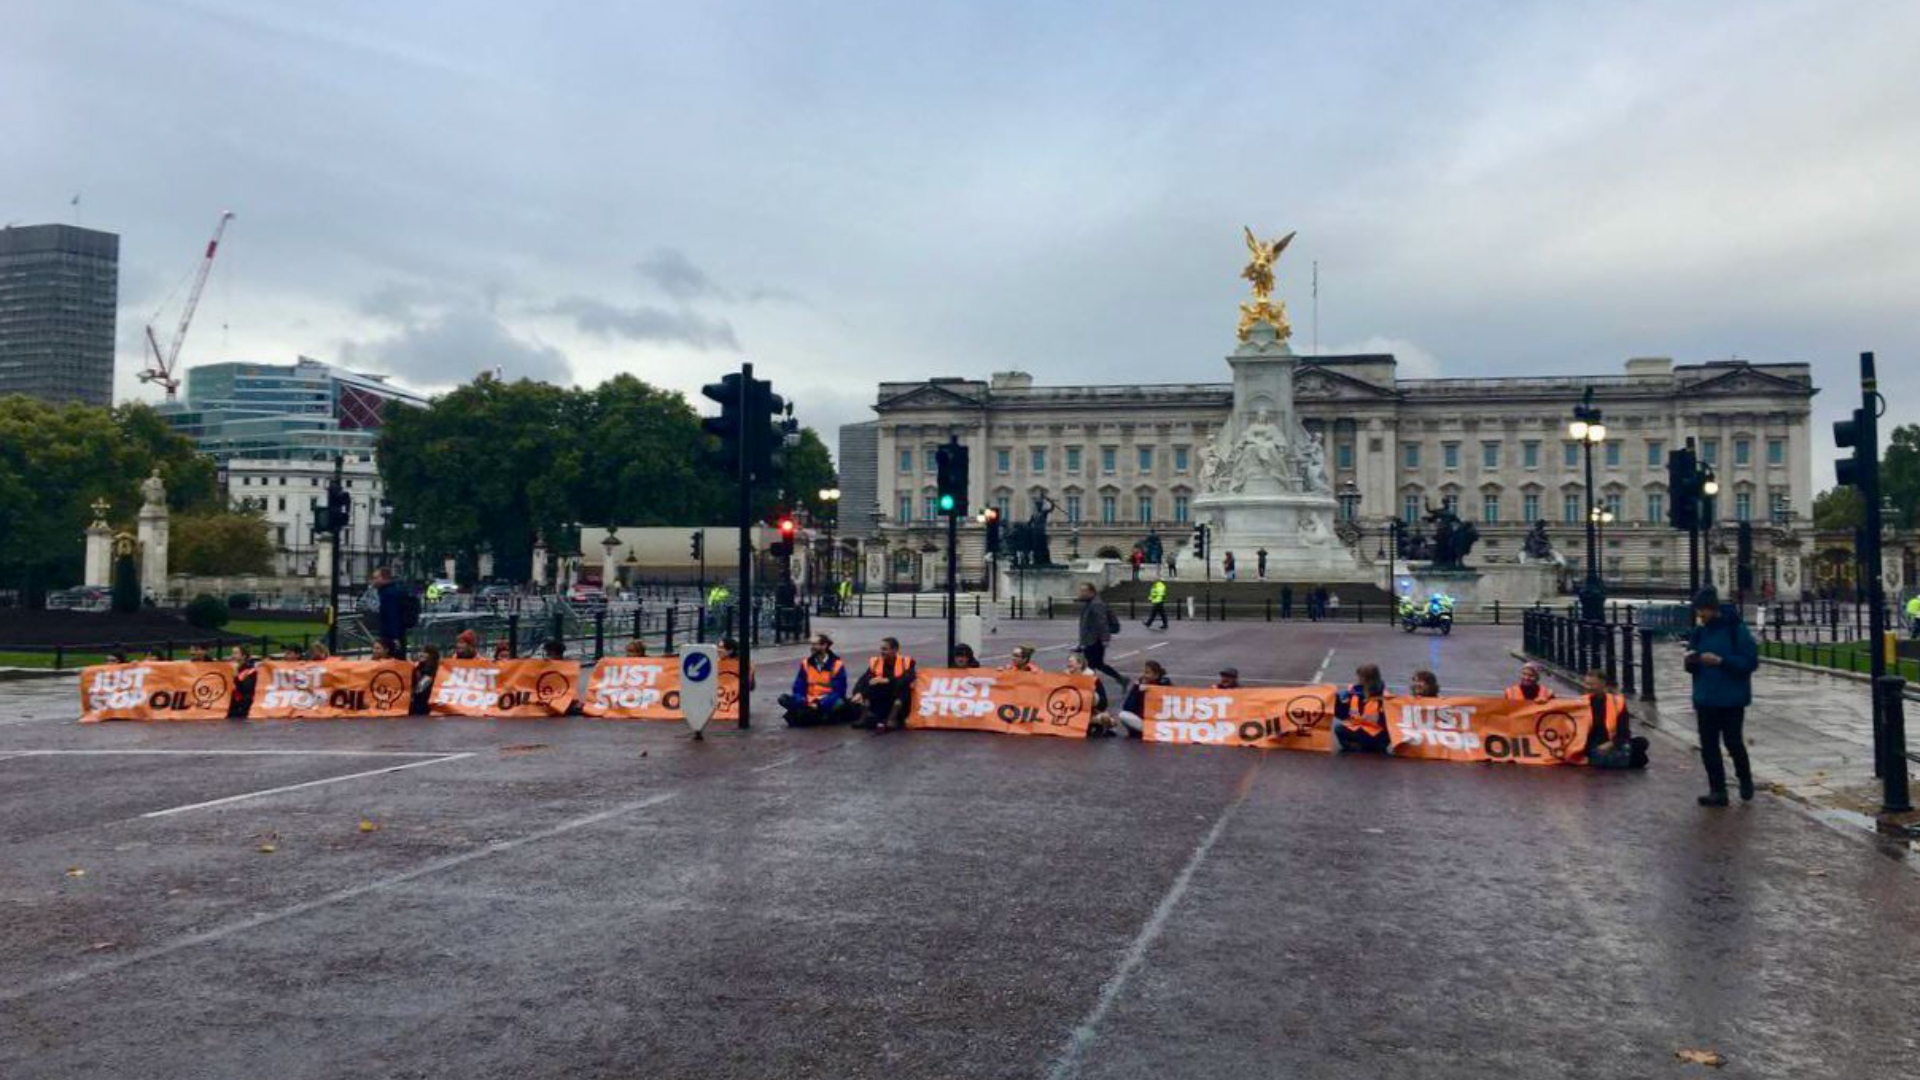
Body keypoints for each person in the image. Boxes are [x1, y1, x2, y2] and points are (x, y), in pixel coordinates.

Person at [1686, 587, 1758, 806]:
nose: (1700, 616)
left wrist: (1721, 661)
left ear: (1713, 608)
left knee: (1733, 742)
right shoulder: (1699, 631)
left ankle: (1745, 780)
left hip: (1731, 698)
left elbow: (1749, 662)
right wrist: (1693, 659)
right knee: (1708, 745)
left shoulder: (1737, 629)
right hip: (1705, 697)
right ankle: (1718, 790)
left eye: (1703, 611)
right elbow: (1691, 661)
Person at [779, 633, 854, 727]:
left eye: (815, 644)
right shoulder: (806, 663)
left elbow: (839, 691)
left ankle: (808, 716)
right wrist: (801, 700)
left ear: (824, 645)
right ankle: (815, 716)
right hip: (807, 700)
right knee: (783, 698)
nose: (812, 647)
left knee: (839, 703)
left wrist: (820, 704)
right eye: (812, 644)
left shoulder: (837, 664)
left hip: (825, 701)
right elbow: (798, 686)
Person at [1581, 669, 1649, 769]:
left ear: (1603, 684)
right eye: (1586, 684)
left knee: (1642, 742)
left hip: (1613, 742)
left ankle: (1622, 754)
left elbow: (1624, 730)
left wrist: (1612, 743)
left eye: (1592, 685)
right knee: (1640, 759)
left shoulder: (1617, 702)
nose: (1588, 687)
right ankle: (1623, 755)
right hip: (1594, 745)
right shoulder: (1581, 702)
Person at [850, 636, 915, 732]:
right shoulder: (876, 662)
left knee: (903, 686)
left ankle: (892, 718)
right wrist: (859, 692)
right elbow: (864, 679)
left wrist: (888, 680)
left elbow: (908, 678)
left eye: (885, 649)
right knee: (872, 682)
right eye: (881, 649)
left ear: (895, 650)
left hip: (899, 700)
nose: (882, 652)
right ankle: (865, 716)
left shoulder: (906, 662)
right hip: (882, 698)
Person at [1076, 583, 1124, 692]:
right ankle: (1120, 679)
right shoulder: (1089, 603)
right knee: (1097, 665)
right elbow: (1087, 625)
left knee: (1091, 666)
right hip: (1090, 640)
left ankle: (1092, 689)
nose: (1081, 593)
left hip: (1095, 641)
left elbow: (1101, 623)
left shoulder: (1096, 604)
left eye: (1084, 591)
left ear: (1091, 592)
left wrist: (1105, 639)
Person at [1334, 664, 1390, 753]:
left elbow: (1389, 721)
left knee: (1377, 739)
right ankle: (1359, 747)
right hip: (1359, 728)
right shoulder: (1354, 692)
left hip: (1376, 733)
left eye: (1360, 677)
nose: (1358, 680)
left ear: (1368, 679)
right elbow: (1343, 714)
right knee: (1339, 729)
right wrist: (1336, 701)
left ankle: (1366, 747)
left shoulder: (1384, 696)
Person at [1115, 659, 1172, 737]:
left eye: (1147, 673)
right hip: (1143, 720)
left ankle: (1155, 730)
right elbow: (1127, 707)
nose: (1144, 675)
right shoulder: (1139, 685)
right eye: (1144, 672)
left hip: (1159, 720)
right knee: (1123, 715)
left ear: (1156, 675)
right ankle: (1151, 731)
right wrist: (1137, 691)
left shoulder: (1165, 685)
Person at [1066, 650, 1117, 736]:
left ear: (1080, 664)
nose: (1068, 664)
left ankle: (1104, 722)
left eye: (1071, 662)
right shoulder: (1066, 676)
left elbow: (1101, 702)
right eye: (1068, 662)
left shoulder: (1090, 678)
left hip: (1092, 708)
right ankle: (1097, 723)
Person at [372, 567, 406, 653]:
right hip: (394, 635)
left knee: (393, 661)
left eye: (376, 578)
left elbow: (392, 615)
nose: (373, 581)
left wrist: (395, 637)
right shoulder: (389, 591)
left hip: (391, 637)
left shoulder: (388, 594)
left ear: (384, 578)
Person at [228, 646, 256, 719]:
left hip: (242, 705)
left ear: (243, 656)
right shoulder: (228, 667)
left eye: (236, 653)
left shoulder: (250, 670)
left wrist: (236, 674)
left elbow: (246, 689)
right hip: (230, 704)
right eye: (232, 653)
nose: (233, 656)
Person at [411, 645, 441, 715]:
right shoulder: (417, 668)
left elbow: (419, 689)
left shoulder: (433, 670)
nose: (420, 654)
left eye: (425, 652)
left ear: (432, 655)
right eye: (420, 651)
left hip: (426, 707)